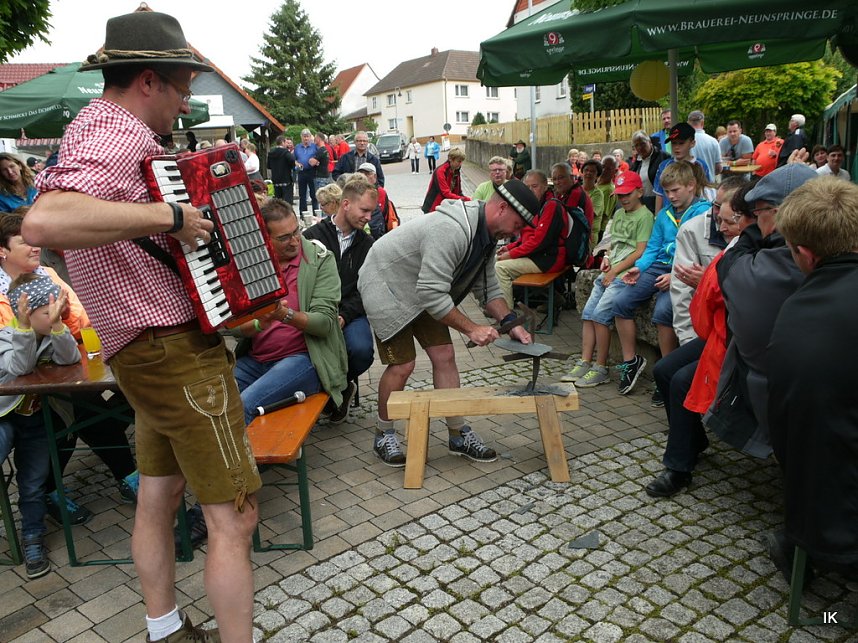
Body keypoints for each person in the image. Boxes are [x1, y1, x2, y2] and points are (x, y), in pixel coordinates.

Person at [24, 11, 260, 641]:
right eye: (182, 87)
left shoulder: (102, 129)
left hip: (144, 352)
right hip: (172, 351)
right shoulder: (116, 132)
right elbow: (43, 222)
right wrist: (171, 217)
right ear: (149, 80)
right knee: (235, 517)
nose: (185, 103)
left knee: (159, 496)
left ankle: (165, 631)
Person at [358, 180, 536, 466]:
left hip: (421, 288)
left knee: (445, 355)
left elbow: (488, 286)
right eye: (517, 225)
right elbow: (432, 294)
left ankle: (457, 434)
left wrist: (510, 320)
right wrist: (472, 328)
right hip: (385, 285)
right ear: (502, 208)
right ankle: (384, 432)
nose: (516, 234)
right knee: (403, 365)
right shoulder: (451, 229)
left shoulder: (487, 236)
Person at [0, 211, 139, 523]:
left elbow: (81, 318)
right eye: (25, 241)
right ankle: (119, 477)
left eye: (36, 240)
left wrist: (54, 323)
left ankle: (118, 477)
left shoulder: (47, 273)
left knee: (87, 402)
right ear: (3, 251)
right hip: (17, 393)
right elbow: (14, 346)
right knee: (78, 411)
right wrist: (43, 323)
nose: (36, 246)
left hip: (63, 367)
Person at [766, 177, 858, 582]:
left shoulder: (796, 314)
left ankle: (826, 610)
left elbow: (785, 433)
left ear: (804, 253)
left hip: (830, 521)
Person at [644, 185, 755, 497]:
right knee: (664, 370)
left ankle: (679, 467)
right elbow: (693, 296)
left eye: (728, 219)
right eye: (717, 214)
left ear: (748, 218)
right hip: (717, 331)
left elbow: (742, 295)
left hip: (738, 339)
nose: (719, 224)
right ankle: (694, 439)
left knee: (682, 381)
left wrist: (706, 279)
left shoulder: (755, 246)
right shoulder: (722, 238)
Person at [713, 163, 818, 462]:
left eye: (757, 213)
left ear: (779, 213)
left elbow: (731, 269)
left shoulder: (783, 262)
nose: (755, 221)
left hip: (786, 400)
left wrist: (750, 234)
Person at [234, 198, 348, 425]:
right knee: (214, 404)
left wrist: (284, 315)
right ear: (264, 237)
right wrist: (259, 323)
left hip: (304, 359)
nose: (295, 240)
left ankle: (250, 452)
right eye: (284, 237)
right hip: (255, 359)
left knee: (244, 406)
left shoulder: (319, 259)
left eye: (296, 231)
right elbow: (234, 327)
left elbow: (325, 324)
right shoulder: (251, 264)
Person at [0, 275, 78, 579]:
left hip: (35, 421)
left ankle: (32, 537)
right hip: (4, 417)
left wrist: (57, 326)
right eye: (48, 312)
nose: (56, 314)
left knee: (33, 485)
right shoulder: (7, 337)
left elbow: (70, 358)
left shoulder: (50, 334)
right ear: (26, 313)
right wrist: (23, 329)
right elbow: (20, 367)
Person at [613, 161, 711, 396]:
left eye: (675, 190)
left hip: (684, 269)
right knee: (621, 302)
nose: (670, 196)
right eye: (667, 191)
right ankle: (630, 362)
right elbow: (653, 248)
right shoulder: (664, 214)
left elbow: (699, 254)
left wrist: (674, 276)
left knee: (664, 311)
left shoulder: (704, 212)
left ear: (691, 185)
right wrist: (639, 268)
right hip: (659, 266)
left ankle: (667, 372)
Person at [562, 171, 653, 387]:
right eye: (620, 195)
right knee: (588, 313)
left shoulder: (645, 217)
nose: (623, 199)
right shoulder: (619, 213)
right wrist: (607, 258)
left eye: (627, 194)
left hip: (623, 276)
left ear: (640, 192)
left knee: (601, 316)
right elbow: (614, 244)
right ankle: (585, 360)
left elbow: (640, 251)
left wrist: (615, 270)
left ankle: (601, 367)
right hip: (609, 272)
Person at [304, 176, 376, 420]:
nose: (369, 217)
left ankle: (341, 386)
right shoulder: (312, 236)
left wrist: (345, 315)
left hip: (350, 312)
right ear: (346, 204)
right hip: (316, 310)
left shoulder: (367, 244)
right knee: (300, 350)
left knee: (361, 350)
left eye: (371, 212)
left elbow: (366, 289)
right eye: (364, 210)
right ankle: (326, 390)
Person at [495, 169, 567, 308]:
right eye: (527, 187)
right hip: (537, 256)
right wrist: (509, 247)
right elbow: (527, 237)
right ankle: (496, 303)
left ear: (545, 186)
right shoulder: (535, 204)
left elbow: (539, 241)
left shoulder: (551, 205)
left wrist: (510, 254)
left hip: (548, 259)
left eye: (534, 186)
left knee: (500, 267)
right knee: (494, 260)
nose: (530, 191)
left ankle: (506, 312)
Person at [652, 123, 713, 214]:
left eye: (681, 143)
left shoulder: (701, 165)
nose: (677, 147)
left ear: (692, 143)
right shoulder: (664, 166)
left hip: (694, 214)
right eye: (674, 143)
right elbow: (659, 194)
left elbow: (706, 192)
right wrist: (657, 217)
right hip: (669, 215)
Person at [629, 130, 669, 214]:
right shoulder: (637, 161)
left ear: (650, 142)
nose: (640, 147)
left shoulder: (663, 157)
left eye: (643, 143)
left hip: (660, 201)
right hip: (642, 202)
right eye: (636, 145)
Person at [422, 147, 470, 213]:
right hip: (433, 208)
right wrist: (465, 199)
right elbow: (445, 193)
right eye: (458, 161)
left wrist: (468, 200)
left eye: (462, 161)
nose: (460, 164)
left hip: (446, 207)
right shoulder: (440, 171)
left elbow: (458, 192)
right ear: (450, 159)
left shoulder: (456, 171)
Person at [687, 110, 722, 179]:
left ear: (688, 123)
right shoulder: (713, 141)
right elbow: (718, 168)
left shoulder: (683, 141)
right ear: (702, 123)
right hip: (708, 182)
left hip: (688, 183)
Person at [294, 128, 319, 214]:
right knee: (302, 195)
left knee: (314, 194)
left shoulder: (314, 146)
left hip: (312, 172)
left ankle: (316, 213)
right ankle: (303, 214)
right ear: (301, 137)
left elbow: (319, 157)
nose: (306, 138)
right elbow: (294, 159)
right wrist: (297, 163)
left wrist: (316, 161)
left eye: (307, 136)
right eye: (304, 136)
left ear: (310, 137)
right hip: (301, 172)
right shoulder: (297, 147)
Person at [268, 135, 296, 204]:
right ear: (282, 142)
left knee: (278, 203)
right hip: (286, 180)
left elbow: (268, 166)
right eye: (286, 142)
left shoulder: (271, 153)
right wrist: (291, 166)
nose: (287, 144)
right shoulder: (285, 152)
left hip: (276, 180)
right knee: (287, 203)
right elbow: (292, 160)